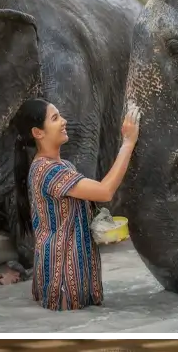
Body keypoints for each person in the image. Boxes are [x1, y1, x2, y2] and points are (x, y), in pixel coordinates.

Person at [11, 98, 141, 311]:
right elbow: (105, 191)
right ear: (38, 133)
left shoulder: (64, 166)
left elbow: (76, 215)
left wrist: (103, 230)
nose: (63, 121)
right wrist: (128, 143)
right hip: (62, 278)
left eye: (60, 116)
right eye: (55, 118)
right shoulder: (49, 172)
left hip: (75, 272)